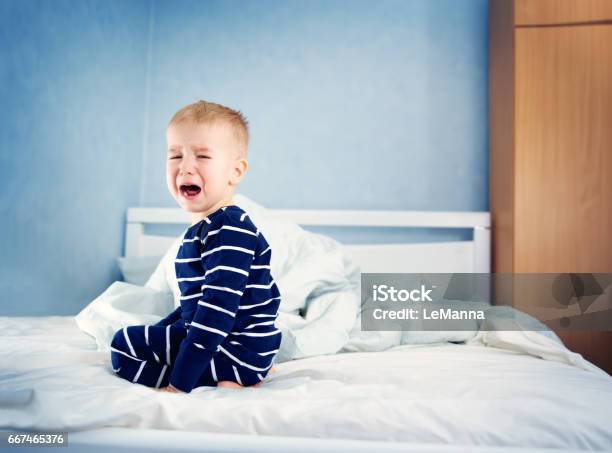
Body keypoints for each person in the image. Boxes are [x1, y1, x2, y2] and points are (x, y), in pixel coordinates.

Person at [110, 100, 282, 393]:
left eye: (202, 156)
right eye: (175, 155)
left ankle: (229, 375)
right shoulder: (204, 230)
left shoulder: (230, 229)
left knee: (122, 346)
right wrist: (162, 331)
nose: (185, 167)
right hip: (233, 345)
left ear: (236, 172)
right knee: (143, 338)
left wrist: (180, 384)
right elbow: (193, 306)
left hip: (233, 346)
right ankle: (234, 373)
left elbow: (216, 309)